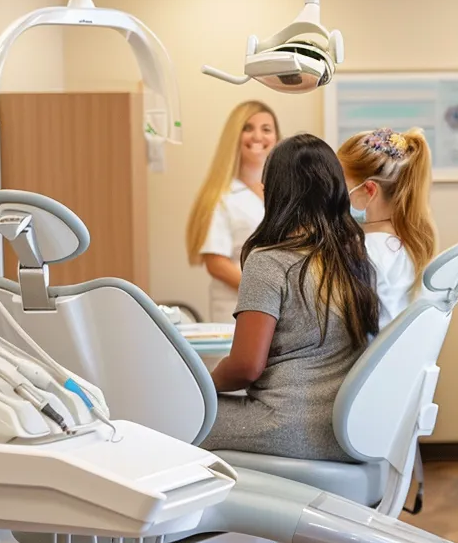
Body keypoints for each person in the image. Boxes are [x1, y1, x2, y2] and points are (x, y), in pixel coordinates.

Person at [201, 134, 380, 463]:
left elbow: (245, 367)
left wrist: (200, 385)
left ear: (274, 193)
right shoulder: (355, 258)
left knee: (172, 414)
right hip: (346, 432)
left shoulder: (269, 261)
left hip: (285, 426)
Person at [186, 101, 282, 323]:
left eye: (266, 129)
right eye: (248, 128)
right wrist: (265, 293)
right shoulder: (221, 197)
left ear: (276, 138)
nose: (257, 136)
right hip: (235, 312)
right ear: (234, 136)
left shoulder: (284, 193)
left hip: (276, 311)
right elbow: (216, 264)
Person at [337, 127, 439, 327]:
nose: (336, 193)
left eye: (341, 185)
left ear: (369, 190)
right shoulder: (408, 243)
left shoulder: (365, 252)